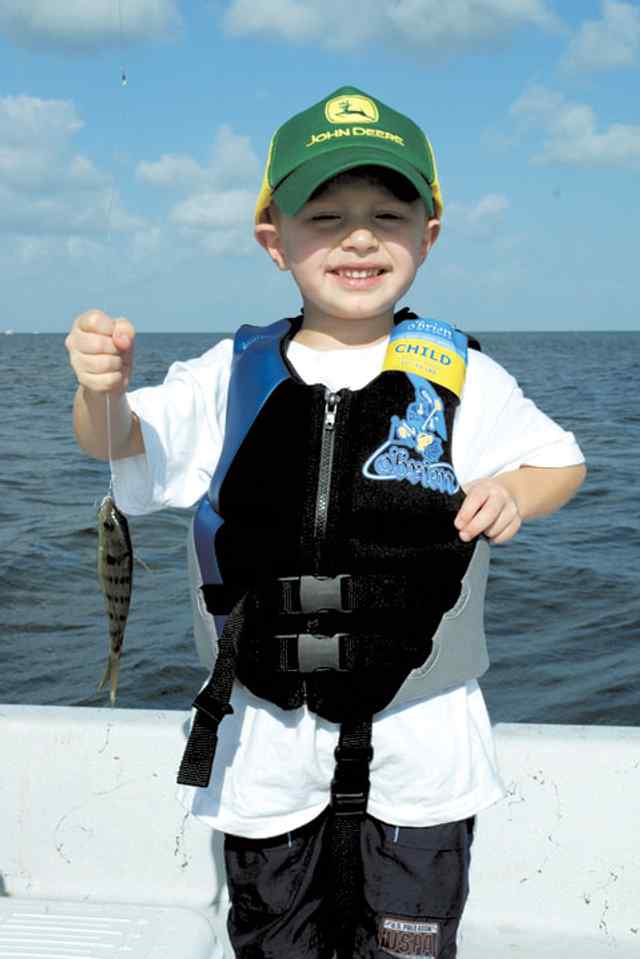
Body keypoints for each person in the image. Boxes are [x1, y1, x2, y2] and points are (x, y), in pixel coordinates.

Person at [66, 85, 586, 959]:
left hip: (425, 739)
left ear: (429, 235)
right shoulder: (226, 375)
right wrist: (100, 387)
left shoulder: (462, 378)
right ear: (274, 240)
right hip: (264, 739)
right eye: (326, 214)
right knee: (275, 942)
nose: (358, 236)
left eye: (389, 212)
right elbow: (118, 446)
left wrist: (518, 494)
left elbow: (560, 460)